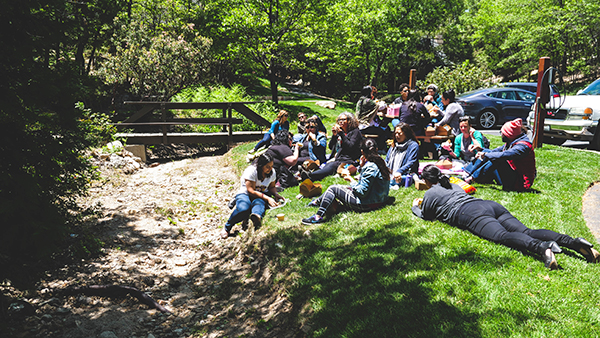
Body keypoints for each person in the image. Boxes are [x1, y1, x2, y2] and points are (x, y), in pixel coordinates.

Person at [412, 165, 600, 270]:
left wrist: (415, 206)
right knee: (527, 231)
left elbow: (426, 216)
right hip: (489, 204)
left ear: (426, 180)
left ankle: (542, 248)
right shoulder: (452, 184)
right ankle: (575, 243)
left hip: (469, 213)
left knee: (501, 236)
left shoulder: (429, 194)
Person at [302, 138, 391, 224]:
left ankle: (318, 216)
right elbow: (370, 184)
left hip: (367, 204)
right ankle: (317, 201)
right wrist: (362, 166)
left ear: (362, 152)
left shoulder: (370, 167)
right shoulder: (382, 162)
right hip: (380, 201)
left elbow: (362, 191)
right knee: (342, 187)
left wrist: (350, 179)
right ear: (376, 149)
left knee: (333, 188)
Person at [221, 153, 284, 239]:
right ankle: (227, 227)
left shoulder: (272, 173)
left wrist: (276, 194)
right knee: (243, 209)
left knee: (259, 203)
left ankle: (256, 217)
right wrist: (267, 198)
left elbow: (272, 186)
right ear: (261, 165)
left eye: (271, 166)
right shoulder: (251, 171)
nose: (270, 169)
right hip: (246, 193)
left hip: (260, 195)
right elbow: (250, 190)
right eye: (267, 166)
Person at [464, 118, 535, 191]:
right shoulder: (512, 142)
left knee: (497, 158)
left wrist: (485, 155)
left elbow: (504, 155)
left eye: (502, 133)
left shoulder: (523, 146)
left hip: (520, 183)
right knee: (490, 154)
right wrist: (481, 150)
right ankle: (466, 173)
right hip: (511, 177)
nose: (501, 135)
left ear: (509, 135)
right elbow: (494, 152)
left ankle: (472, 178)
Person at [301, 112, 363, 182]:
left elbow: (350, 147)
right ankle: (310, 175)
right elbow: (330, 147)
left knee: (332, 166)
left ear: (349, 121)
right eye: (339, 120)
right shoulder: (340, 132)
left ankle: (310, 175)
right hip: (339, 158)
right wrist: (334, 136)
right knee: (327, 166)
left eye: (343, 119)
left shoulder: (355, 132)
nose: (341, 121)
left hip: (348, 160)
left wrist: (341, 134)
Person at [355, 85, 390, 150]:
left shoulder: (360, 100)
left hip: (359, 125)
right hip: (365, 126)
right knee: (385, 131)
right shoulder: (368, 101)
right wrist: (383, 103)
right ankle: (381, 148)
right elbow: (380, 106)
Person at [385, 123, 419, 188]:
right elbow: (387, 160)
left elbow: (411, 162)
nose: (397, 135)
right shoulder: (393, 146)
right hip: (391, 173)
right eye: (395, 133)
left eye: (399, 133)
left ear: (406, 133)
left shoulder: (413, 145)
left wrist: (399, 171)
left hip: (406, 174)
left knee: (393, 180)